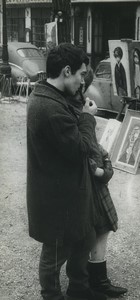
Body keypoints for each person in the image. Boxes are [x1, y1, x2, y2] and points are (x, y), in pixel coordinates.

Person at [26, 43, 107, 300]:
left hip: (68, 191)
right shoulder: (49, 108)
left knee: (84, 239)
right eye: (82, 75)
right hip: (57, 198)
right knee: (55, 253)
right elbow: (81, 148)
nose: (84, 81)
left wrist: (80, 110)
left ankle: (79, 290)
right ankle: (51, 296)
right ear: (67, 70)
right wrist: (87, 117)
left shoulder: (50, 96)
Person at [70, 70, 128, 298]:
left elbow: (96, 148)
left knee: (99, 230)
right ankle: (92, 282)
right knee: (94, 232)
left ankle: (94, 280)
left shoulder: (77, 104)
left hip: (93, 181)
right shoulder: (76, 109)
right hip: (87, 186)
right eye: (82, 80)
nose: (83, 85)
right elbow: (88, 149)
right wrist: (88, 116)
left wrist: (105, 168)